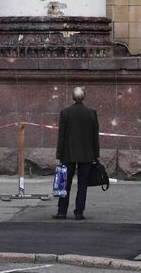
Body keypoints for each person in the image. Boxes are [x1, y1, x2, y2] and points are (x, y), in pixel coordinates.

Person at [53, 86, 100, 220]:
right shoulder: (91, 113)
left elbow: (61, 136)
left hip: (68, 153)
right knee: (82, 184)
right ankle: (79, 212)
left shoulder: (65, 113)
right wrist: (96, 154)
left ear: (72, 97)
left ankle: (62, 211)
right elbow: (94, 136)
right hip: (87, 154)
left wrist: (59, 154)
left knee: (64, 183)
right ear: (83, 97)